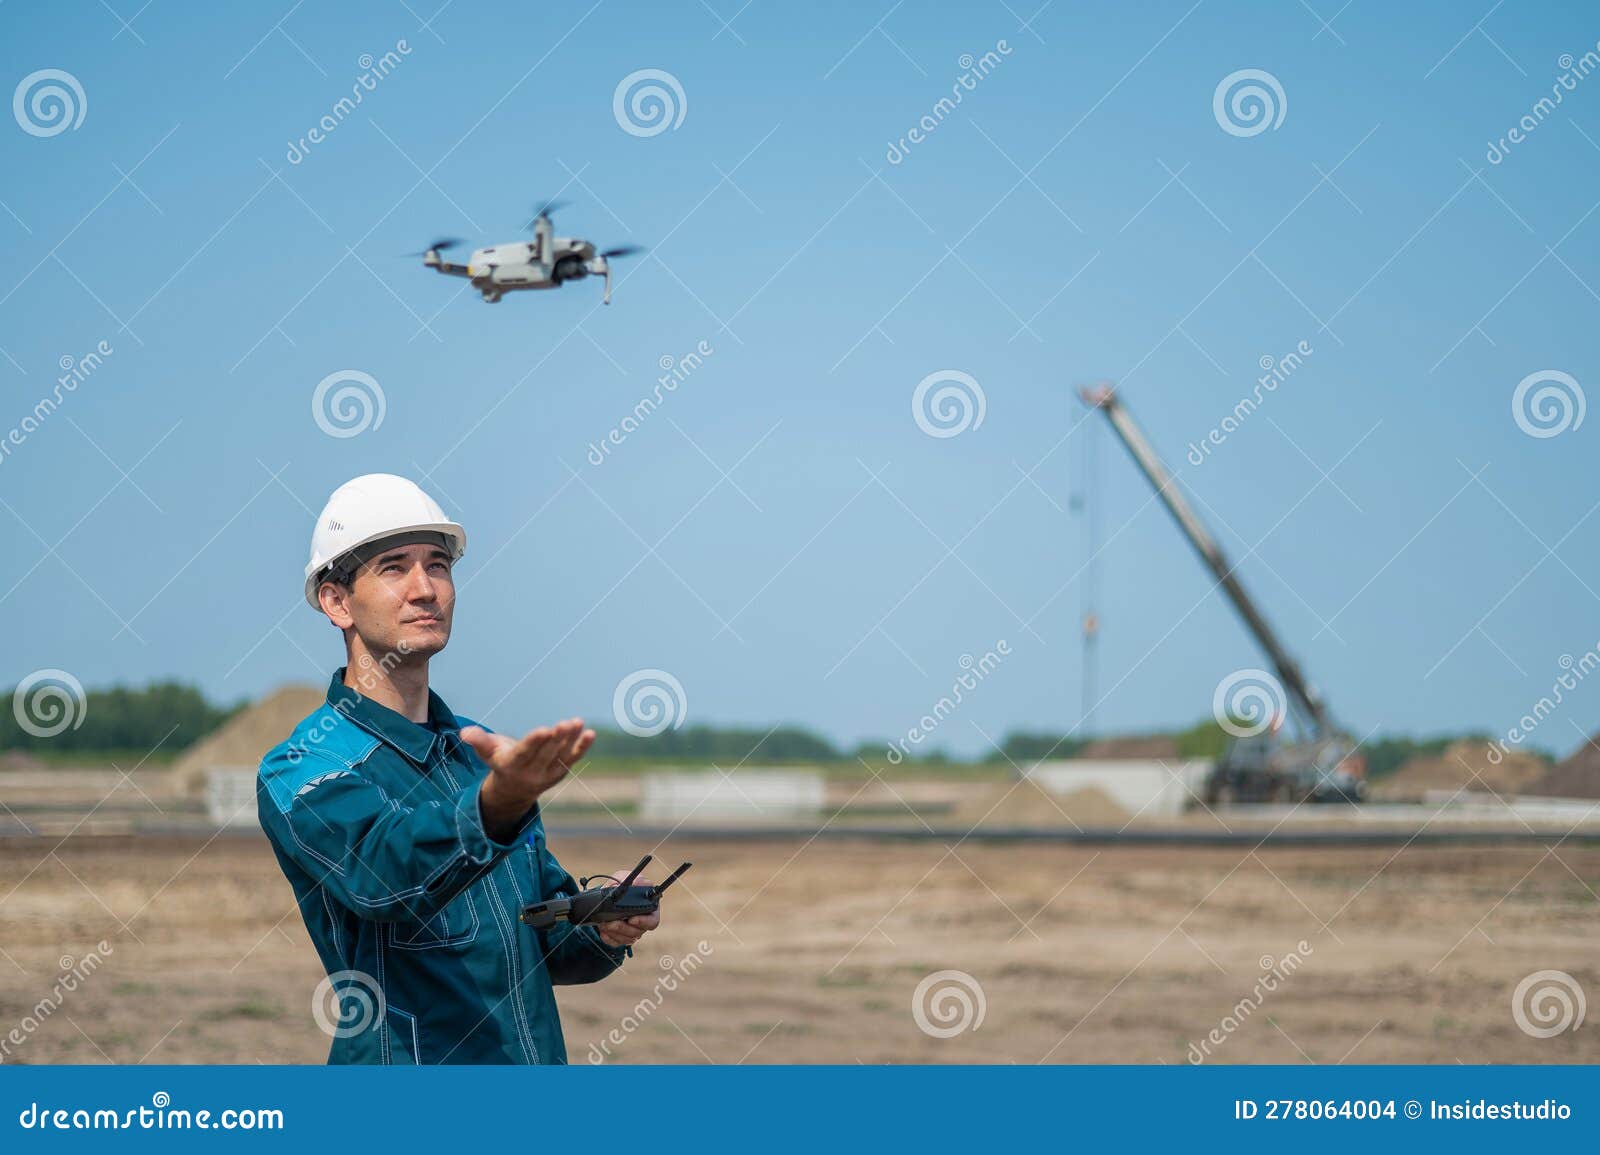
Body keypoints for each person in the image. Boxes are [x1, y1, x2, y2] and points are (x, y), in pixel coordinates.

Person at [257, 473, 656, 1064]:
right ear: (336, 601)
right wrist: (496, 806)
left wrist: (599, 923)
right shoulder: (305, 768)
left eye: (438, 565)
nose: (425, 589)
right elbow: (386, 877)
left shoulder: (478, 753)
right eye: (393, 567)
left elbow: (540, 941)